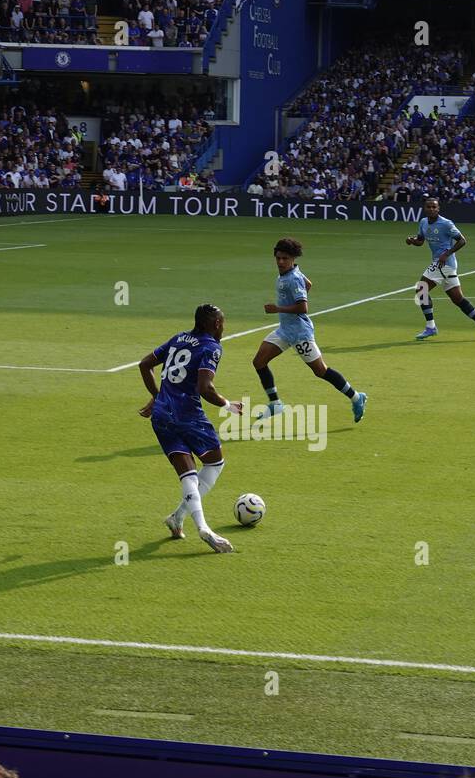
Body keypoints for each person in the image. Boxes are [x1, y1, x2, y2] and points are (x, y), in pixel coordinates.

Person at [138, 303, 242, 553]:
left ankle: (178, 519)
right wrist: (229, 406)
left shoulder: (179, 338)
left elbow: (144, 364)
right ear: (216, 324)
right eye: (222, 323)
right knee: (215, 462)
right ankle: (202, 527)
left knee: (187, 473)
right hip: (187, 414)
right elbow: (205, 388)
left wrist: (159, 396)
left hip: (162, 414)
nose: (224, 328)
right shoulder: (211, 347)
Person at [253, 237, 368, 423]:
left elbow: (302, 307)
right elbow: (309, 284)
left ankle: (356, 397)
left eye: (285, 258)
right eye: (278, 258)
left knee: (320, 371)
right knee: (259, 361)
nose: (281, 262)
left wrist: (278, 309)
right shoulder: (289, 274)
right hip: (285, 330)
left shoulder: (293, 279)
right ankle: (275, 403)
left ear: (292, 258)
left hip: (299, 334)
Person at [408, 197, 475, 341]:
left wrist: (446, 254)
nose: (431, 209)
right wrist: (412, 241)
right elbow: (421, 241)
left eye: (434, 207)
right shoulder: (423, 222)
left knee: (421, 289)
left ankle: (431, 327)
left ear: (438, 209)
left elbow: (462, 240)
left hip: (445, 264)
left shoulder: (446, 224)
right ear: (425, 208)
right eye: (429, 207)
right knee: (458, 299)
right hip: (443, 265)